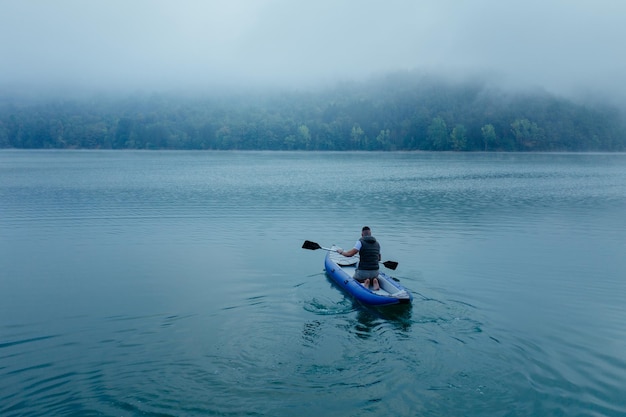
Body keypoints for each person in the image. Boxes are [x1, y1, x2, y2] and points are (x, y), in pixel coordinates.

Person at [338, 226, 381, 291]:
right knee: (372, 275)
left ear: (362, 234)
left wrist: (341, 252)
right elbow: (379, 259)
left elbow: (350, 254)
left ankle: (365, 282)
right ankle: (374, 281)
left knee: (354, 279)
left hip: (363, 272)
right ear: (370, 234)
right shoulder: (377, 244)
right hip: (375, 272)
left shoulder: (360, 242)